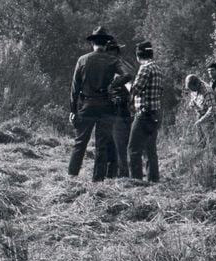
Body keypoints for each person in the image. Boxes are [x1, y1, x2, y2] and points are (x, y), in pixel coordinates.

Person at [68, 26, 132, 182]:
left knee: (80, 142)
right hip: (106, 106)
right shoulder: (113, 60)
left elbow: (75, 88)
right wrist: (114, 85)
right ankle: (97, 180)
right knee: (101, 145)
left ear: (93, 43)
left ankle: (72, 176)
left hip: (86, 105)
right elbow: (128, 75)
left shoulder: (82, 60)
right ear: (106, 44)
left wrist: (73, 110)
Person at [127, 41, 164, 182]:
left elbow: (134, 90)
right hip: (155, 113)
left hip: (143, 114)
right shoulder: (157, 69)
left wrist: (125, 82)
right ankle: (153, 181)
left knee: (133, 149)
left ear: (138, 55)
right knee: (150, 151)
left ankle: (136, 182)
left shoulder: (145, 68)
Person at [105, 39, 134, 178]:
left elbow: (130, 84)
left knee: (119, 143)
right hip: (118, 108)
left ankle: (122, 175)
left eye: (113, 52)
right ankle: (115, 173)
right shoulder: (117, 66)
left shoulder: (120, 67)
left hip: (120, 108)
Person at [185, 74, 215, 147]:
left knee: (211, 143)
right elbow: (194, 99)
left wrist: (202, 120)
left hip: (209, 120)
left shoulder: (207, 90)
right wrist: (191, 106)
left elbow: (212, 108)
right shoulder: (194, 88)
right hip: (199, 116)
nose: (191, 91)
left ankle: (212, 156)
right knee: (201, 142)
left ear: (197, 84)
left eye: (192, 89)